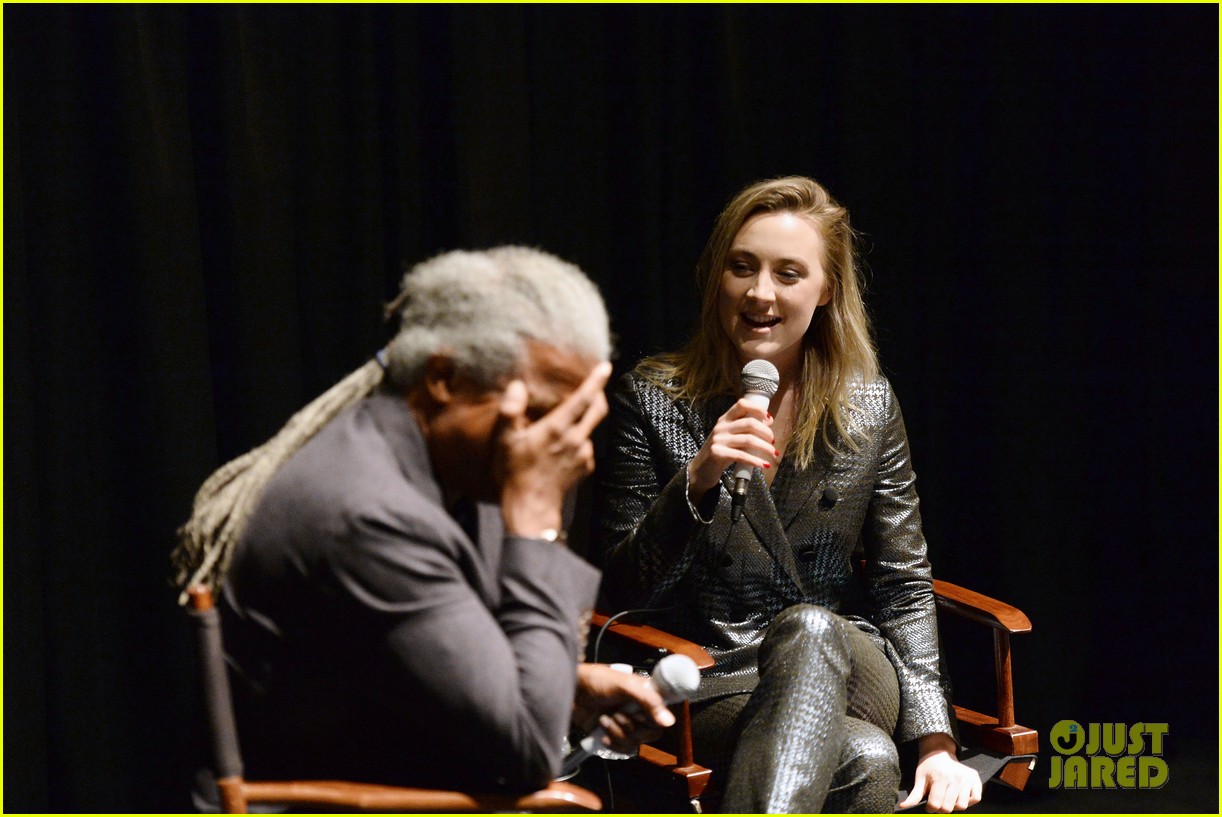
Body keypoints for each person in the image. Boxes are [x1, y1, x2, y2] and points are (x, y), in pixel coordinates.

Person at [173, 247, 673, 797]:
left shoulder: (455, 471)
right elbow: (529, 751)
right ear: (442, 377)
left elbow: (408, 658)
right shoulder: (367, 515)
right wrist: (537, 523)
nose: (558, 442)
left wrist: (567, 687)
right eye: (539, 411)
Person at [596, 177, 983, 813]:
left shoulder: (868, 406)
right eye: (742, 267)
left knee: (808, 630)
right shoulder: (654, 399)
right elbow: (620, 593)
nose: (759, 293)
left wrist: (937, 741)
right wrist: (696, 481)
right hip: (714, 672)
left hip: (850, 659)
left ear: (826, 289)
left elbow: (902, 583)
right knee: (866, 759)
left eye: (788, 273)